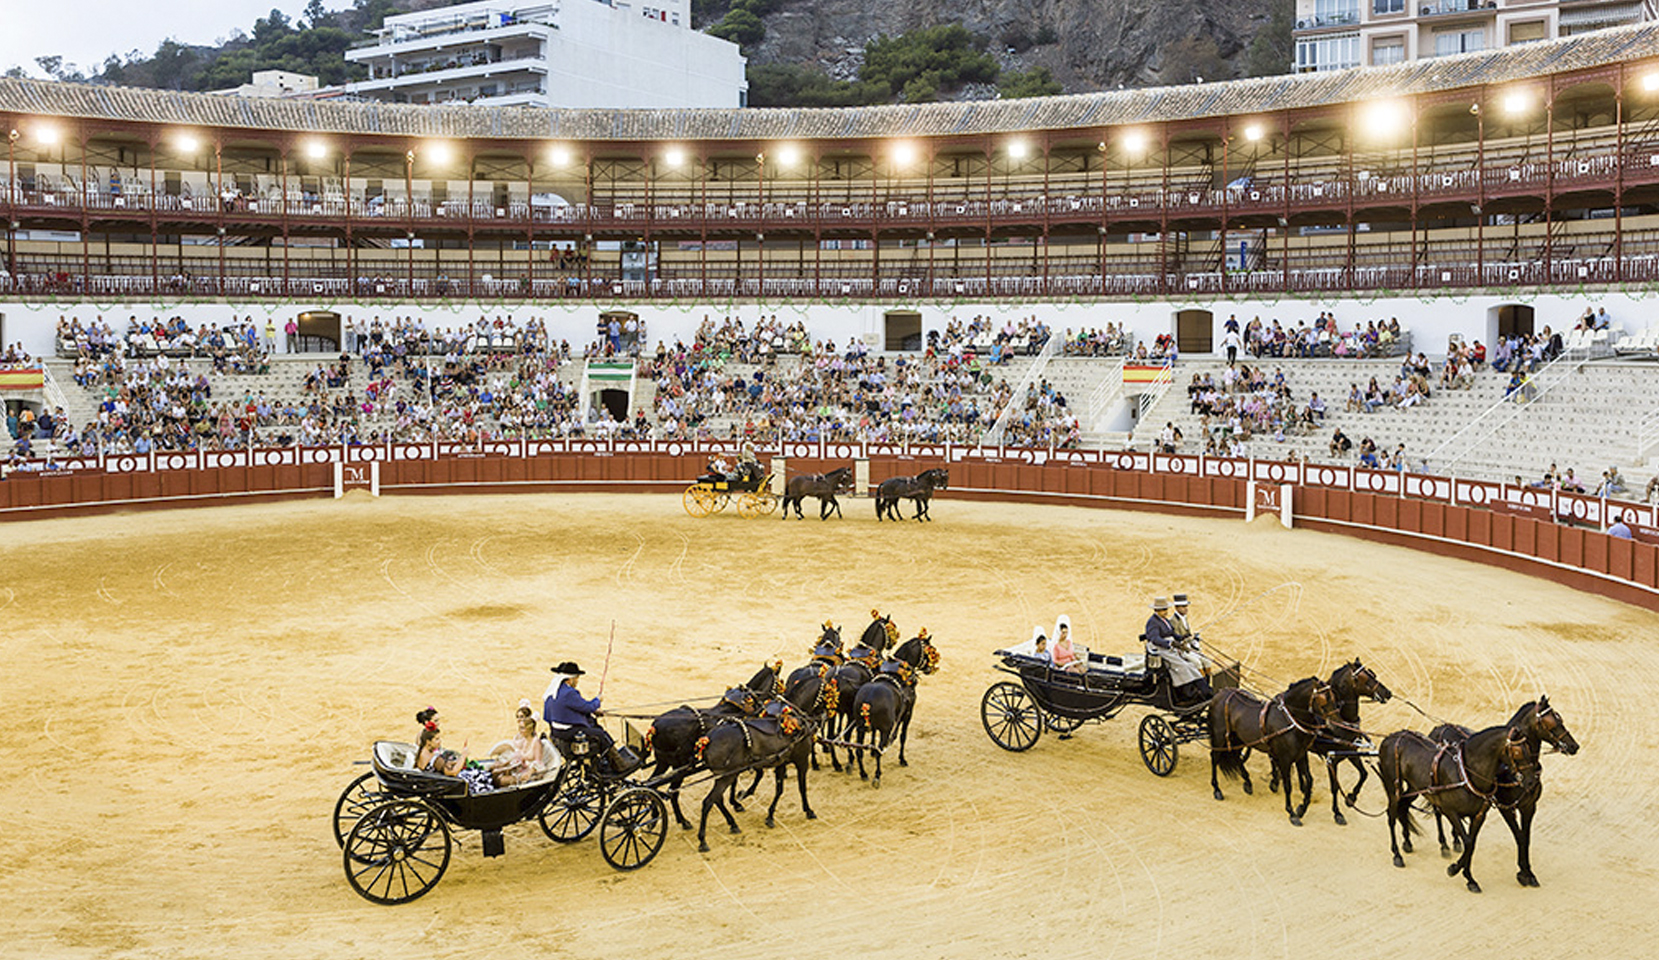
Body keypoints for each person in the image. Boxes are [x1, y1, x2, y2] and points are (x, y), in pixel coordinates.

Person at [543, 661, 637, 775]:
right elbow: (586, 707)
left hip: (557, 731)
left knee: (593, 724)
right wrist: (598, 700)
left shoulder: (553, 691)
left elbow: (569, 708)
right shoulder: (569, 693)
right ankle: (620, 765)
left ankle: (601, 762)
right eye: (577, 678)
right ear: (570, 679)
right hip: (568, 732)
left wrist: (593, 711)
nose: (577, 681)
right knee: (600, 734)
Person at [1145, 597, 1209, 705]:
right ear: (1157, 610)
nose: (1166, 612)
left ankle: (1203, 690)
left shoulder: (1165, 621)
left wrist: (1181, 638)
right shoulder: (1152, 622)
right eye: (1163, 610)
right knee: (1183, 666)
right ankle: (1186, 695)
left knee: (1190, 665)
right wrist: (1169, 643)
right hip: (1161, 650)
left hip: (1170, 648)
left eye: (1166, 609)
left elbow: (1172, 633)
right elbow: (1155, 639)